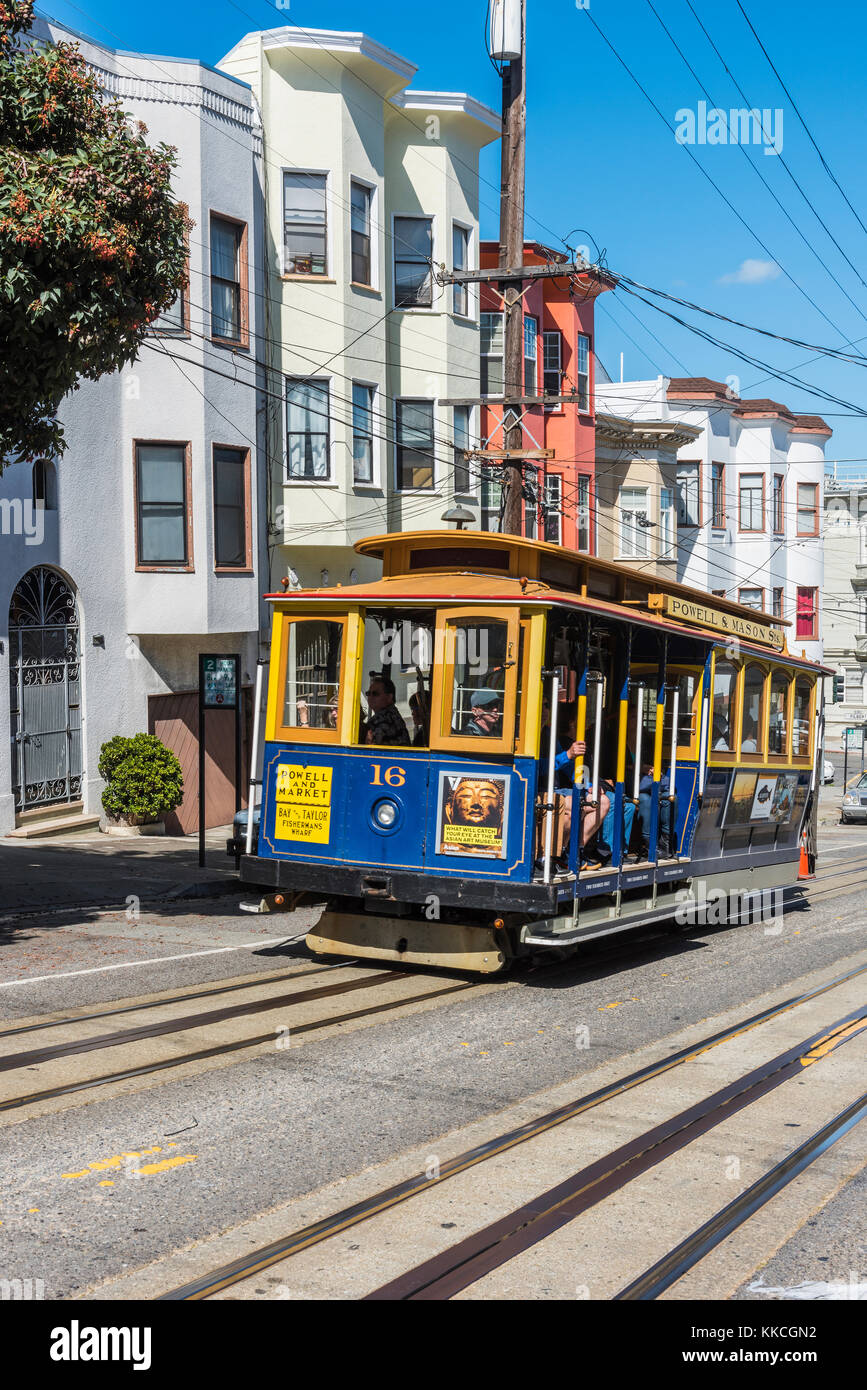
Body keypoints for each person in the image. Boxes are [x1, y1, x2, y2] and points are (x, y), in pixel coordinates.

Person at [361, 676, 410, 746]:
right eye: (368, 693)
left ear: (389, 697)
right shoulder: (393, 715)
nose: (370, 697)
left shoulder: (382, 719)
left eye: (375, 693)